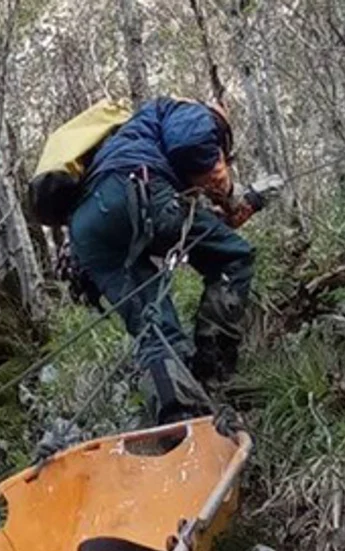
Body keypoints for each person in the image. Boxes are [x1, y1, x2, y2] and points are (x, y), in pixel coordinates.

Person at [66, 96, 265, 424]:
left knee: (153, 326)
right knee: (235, 257)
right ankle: (214, 371)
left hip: (87, 228)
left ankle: (181, 418)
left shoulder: (132, 136)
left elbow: (181, 217)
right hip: (133, 189)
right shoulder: (189, 113)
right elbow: (189, 144)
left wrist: (216, 213)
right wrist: (225, 186)